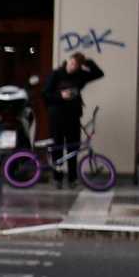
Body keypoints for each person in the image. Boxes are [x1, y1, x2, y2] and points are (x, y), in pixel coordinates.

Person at [44, 52, 103, 181]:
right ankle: (57, 178)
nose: (73, 67)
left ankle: (72, 178)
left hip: (73, 116)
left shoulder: (80, 75)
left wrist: (88, 62)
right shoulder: (56, 74)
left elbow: (99, 73)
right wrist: (61, 96)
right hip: (57, 116)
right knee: (57, 147)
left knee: (73, 148)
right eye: (72, 63)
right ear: (68, 60)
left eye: (76, 65)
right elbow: (46, 94)